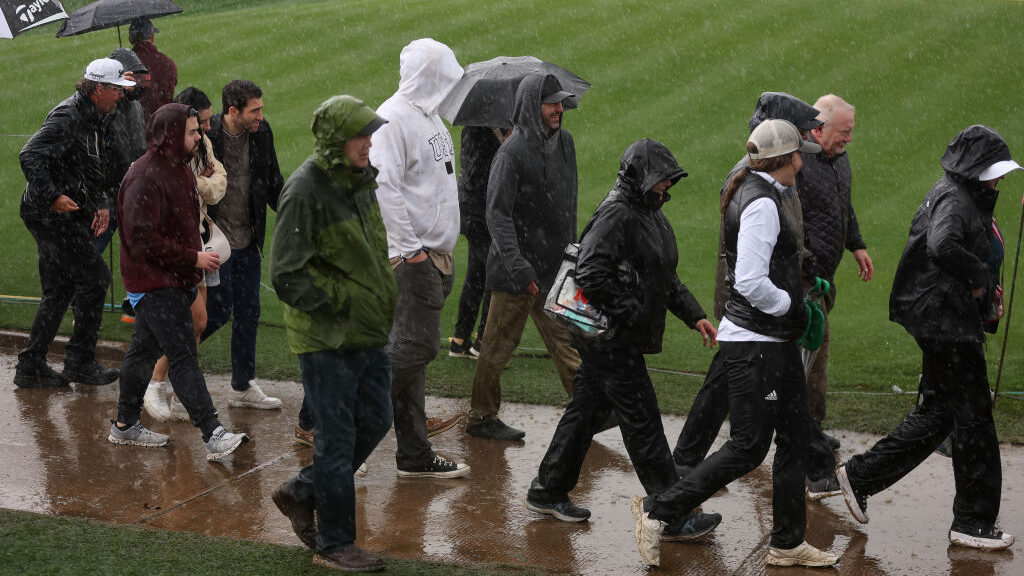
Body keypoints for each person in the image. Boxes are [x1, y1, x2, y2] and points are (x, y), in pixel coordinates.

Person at [632, 120, 838, 568]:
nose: (803, 162)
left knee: (795, 436)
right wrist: (793, 307)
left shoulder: (766, 191)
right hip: (757, 343)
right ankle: (657, 510)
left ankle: (786, 542)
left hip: (769, 340)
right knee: (748, 446)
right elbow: (748, 281)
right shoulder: (762, 203)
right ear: (781, 160)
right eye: (797, 154)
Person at [525, 139, 720, 541]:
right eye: (662, 181)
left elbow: (663, 276)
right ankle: (671, 514)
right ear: (642, 178)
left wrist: (694, 314)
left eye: (668, 182)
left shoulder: (647, 211)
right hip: (613, 342)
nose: (667, 188)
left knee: (583, 414)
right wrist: (631, 310)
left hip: (612, 339)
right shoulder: (619, 213)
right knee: (643, 424)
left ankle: (548, 490)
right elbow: (591, 272)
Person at [837, 125, 1020, 551]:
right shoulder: (956, 199)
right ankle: (972, 522)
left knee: (941, 413)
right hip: (946, 325)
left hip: (940, 319)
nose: (1001, 179)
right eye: (995, 171)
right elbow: (942, 245)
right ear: (975, 170)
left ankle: (859, 476)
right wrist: (978, 276)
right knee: (975, 419)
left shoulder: (960, 193)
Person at [672, 92, 839, 500]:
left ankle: (686, 462)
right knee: (753, 423)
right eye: (800, 137)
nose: (806, 148)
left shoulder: (766, 176)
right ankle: (814, 464)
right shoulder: (757, 185)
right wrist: (785, 302)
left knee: (734, 388)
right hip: (755, 312)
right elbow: (750, 268)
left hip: (756, 311)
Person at [269, 95, 395, 572]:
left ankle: (301, 490)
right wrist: (343, 304)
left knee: (377, 418)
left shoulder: (360, 182)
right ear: (335, 141)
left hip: (365, 334)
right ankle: (334, 543)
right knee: (337, 440)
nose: (369, 143)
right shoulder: (305, 191)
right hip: (328, 341)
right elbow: (287, 274)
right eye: (360, 135)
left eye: (370, 134)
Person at [110, 103, 249, 463]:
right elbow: (142, 240)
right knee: (184, 355)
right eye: (192, 131)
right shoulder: (145, 176)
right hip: (155, 282)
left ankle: (124, 425)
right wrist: (193, 258)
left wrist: (194, 257)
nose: (200, 135)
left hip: (173, 277)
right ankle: (213, 434)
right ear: (171, 134)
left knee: (142, 352)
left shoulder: (178, 168)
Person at [369, 38, 468, 478]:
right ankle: (340, 428)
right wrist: (411, 253)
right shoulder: (392, 119)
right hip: (413, 259)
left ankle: (413, 454)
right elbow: (383, 188)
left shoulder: (429, 116)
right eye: (444, 78)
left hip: (434, 255)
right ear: (429, 76)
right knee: (416, 347)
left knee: (414, 357)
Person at [465, 74, 583, 441]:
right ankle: (482, 417)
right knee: (497, 348)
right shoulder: (510, 153)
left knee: (567, 342)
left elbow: (569, 203)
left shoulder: (565, 143)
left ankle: (588, 408)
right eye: (552, 104)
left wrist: (573, 252)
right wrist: (518, 266)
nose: (559, 109)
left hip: (554, 270)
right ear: (534, 106)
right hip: (516, 272)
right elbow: (496, 215)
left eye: (561, 103)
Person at [14, 58, 130, 389]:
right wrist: (52, 196)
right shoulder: (68, 117)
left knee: (60, 288)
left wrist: (103, 203)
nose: (121, 96)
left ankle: (31, 366)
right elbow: (29, 155)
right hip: (49, 215)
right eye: (117, 90)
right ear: (99, 89)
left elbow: (100, 166)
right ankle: (79, 361)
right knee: (95, 278)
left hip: (63, 212)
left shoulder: (99, 117)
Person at [142, 87, 227, 422]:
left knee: (197, 323)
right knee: (192, 322)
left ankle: (177, 388)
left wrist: (204, 182)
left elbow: (219, 183)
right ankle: (156, 382)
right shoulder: (165, 157)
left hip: (200, 239)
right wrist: (202, 183)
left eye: (205, 124)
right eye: (199, 126)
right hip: (182, 247)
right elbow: (195, 188)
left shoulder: (201, 144)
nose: (205, 131)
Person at [202, 79, 284, 411]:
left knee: (249, 311)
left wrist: (293, 213)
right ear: (233, 111)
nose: (260, 116)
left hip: (248, 239)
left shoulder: (262, 134)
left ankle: (243, 384)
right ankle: (168, 365)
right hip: (215, 241)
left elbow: (274, 183)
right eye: (255, 110)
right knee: (216, 313)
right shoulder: (207, 138)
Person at [798, 94, 874, 449]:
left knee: (816, 354)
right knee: (810, 350)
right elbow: (789, 224)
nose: (849, 139)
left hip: (821, 278)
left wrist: (856, 244)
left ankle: (806, 426)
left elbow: (843, 205)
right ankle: (799, 429)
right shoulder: (797, 163)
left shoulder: (838, 159)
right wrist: (807, 268)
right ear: (819, 129)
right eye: (844, 132)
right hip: (802, 280)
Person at [449, 126, 508, 358]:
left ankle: (460, 340)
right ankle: (482, 341)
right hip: (479, 213)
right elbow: (475, 174)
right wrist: (505, 148)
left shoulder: (484, 123)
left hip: (477, 210)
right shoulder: (478, 128)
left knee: (478, 274)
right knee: (492, 274)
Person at [94, 47, 149, 254]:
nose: (136, 85)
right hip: (108, 194)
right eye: (131, 78)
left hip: (132, 190)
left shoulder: (135, 105)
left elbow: (139, 145)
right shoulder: (105, 105)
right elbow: (97, 135)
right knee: (91, 255)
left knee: (139, 254)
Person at [129, 17, 177, 122]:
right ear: (152, 37)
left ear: (130, 39)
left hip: (137, 128)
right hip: (164, 125)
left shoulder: (127, 64)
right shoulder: (168, 63)